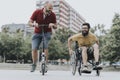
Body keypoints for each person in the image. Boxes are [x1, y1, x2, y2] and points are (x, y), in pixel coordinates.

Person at [28, 1, 57, 72]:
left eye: (52, 8)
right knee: (34, 48)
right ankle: (34, 64)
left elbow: (56, 26)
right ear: (45, 6)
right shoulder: (37, 12)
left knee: (45, 46)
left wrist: (52, 25)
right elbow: (29, 22)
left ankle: (45, 65)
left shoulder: (52, 14)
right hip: (37, 33)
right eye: (49, 8)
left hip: (47, 32)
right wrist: (34, 24)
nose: (51, 10)